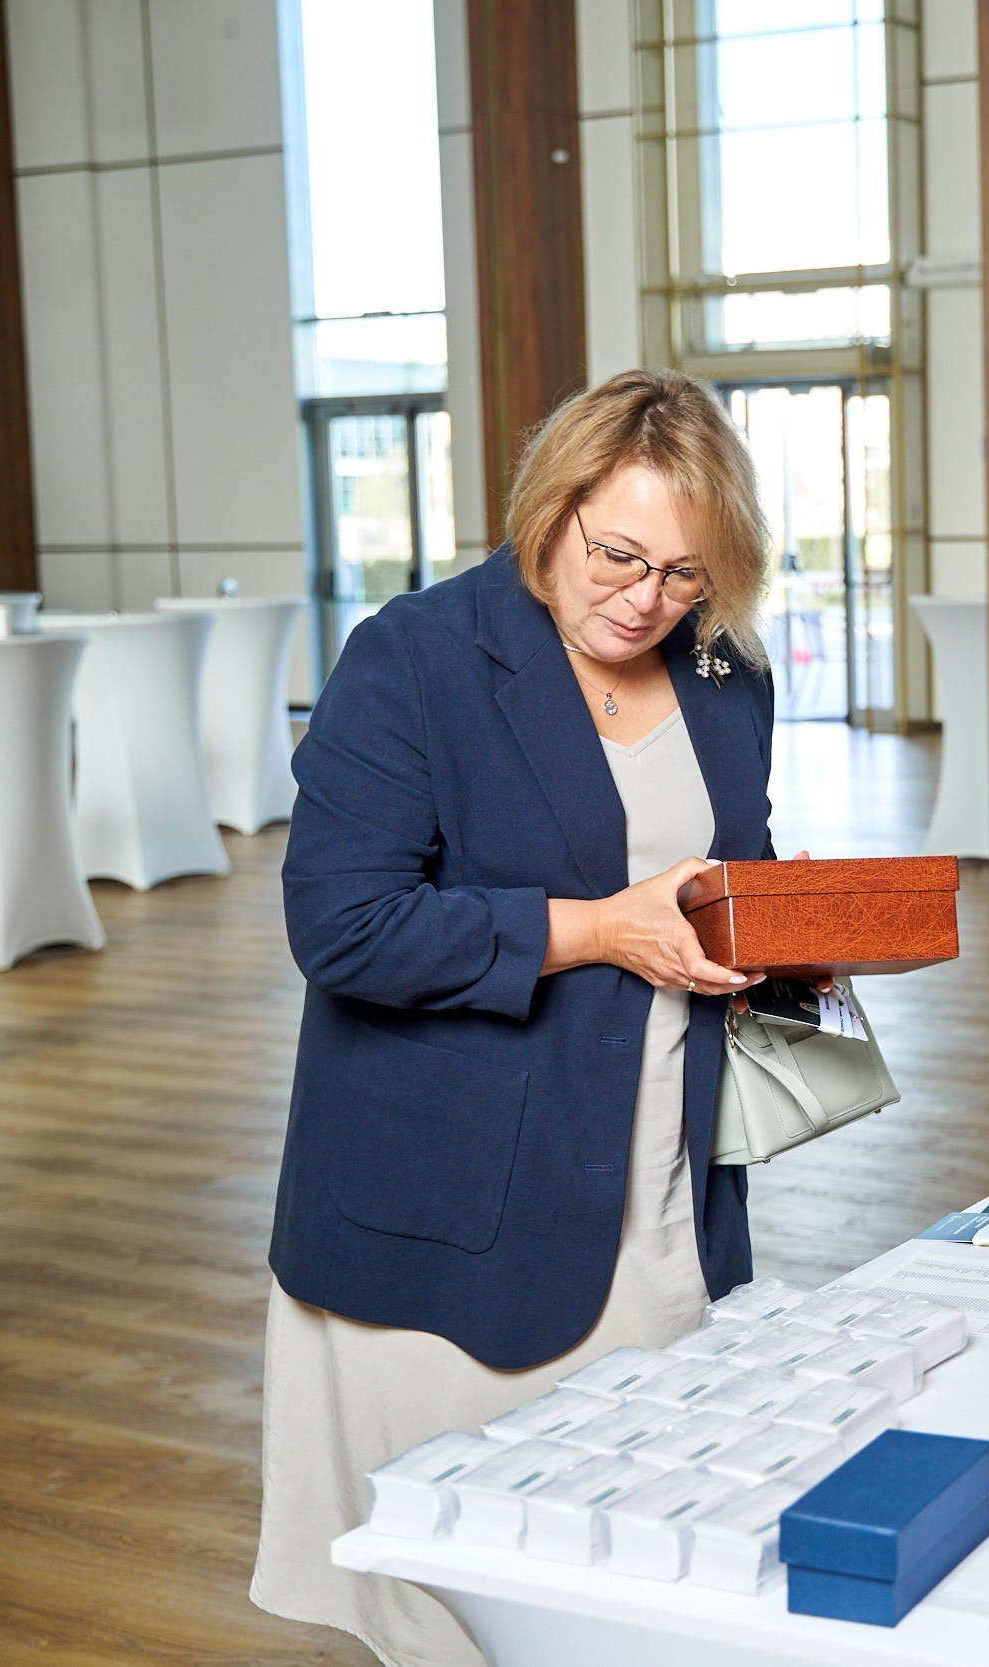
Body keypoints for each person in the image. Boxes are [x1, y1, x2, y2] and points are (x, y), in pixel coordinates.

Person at [252, 370, 780, 1667]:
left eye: (683, 573)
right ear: (551, 508)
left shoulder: (723, 667)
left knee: (644, 1550)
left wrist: (782, 936)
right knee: (467, 1597)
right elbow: (345, 926)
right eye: (617, 554)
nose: (645, 598)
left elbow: (725, 860)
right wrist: (600, 926)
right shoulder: (416, 655)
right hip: (459, 1192)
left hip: (658, 1170)